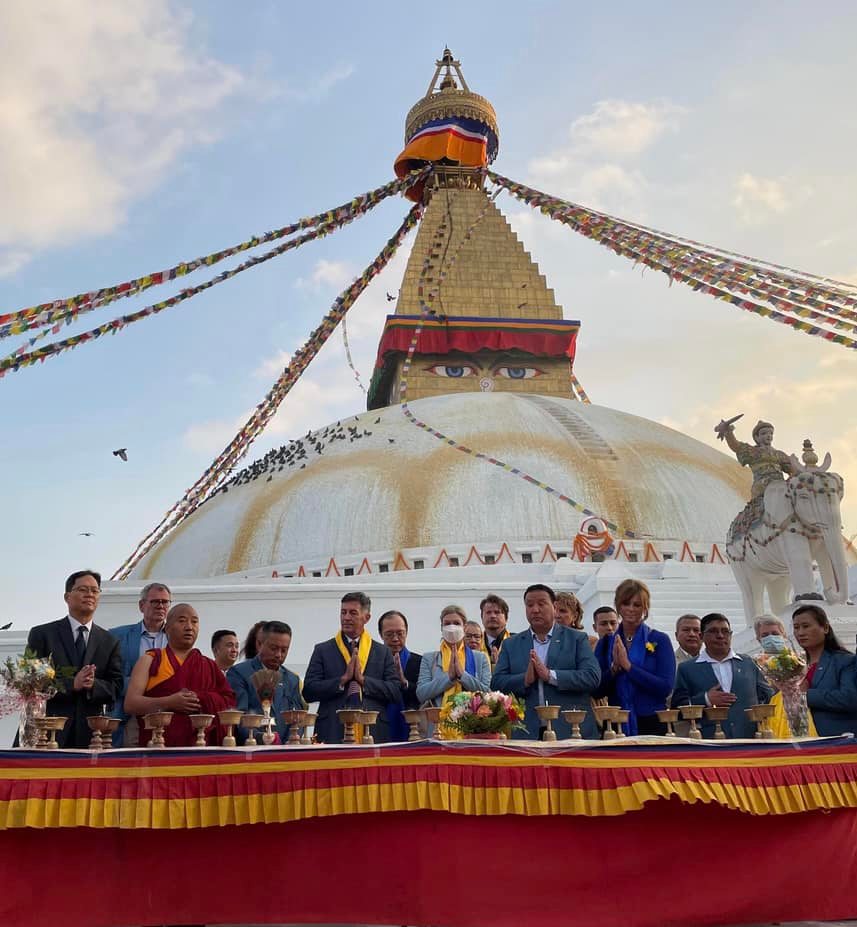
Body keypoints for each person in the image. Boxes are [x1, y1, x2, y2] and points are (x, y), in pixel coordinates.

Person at [25, 570, 122, 748]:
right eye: (83, 589)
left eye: (95, 590)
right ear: (67, 597)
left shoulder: (109, 641)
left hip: (91, 735)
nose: (89, 594)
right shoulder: (43, 634)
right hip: (47, 732)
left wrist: (93, 684)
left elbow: (116, 687)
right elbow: (31, 682)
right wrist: (72, 684)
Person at [492, 584, 600, 739]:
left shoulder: (577, 639)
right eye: (530, 605)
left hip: (571, 730)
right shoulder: (511, 644)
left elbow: (592, 677)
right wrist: (525, 680)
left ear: (554, 607)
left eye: (541, 604)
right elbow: (496, 683)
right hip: (527, 732)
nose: (535, 610)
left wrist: (550, 675)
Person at [124, 603, 236, 747]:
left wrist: (201, 698)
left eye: (194, 622)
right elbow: (131, 704)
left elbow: (228, 703)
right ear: (167, 628)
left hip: (201, 745)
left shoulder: (209, 665)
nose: (189, 627)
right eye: (182, 621)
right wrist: (169, 702)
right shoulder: (150, 660)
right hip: (158, 745)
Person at [303, 592, 401, 744]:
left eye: (353, 613)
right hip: (332, 728)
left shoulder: (382, 652)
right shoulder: (323, 650)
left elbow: (395, 692)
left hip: (373, 730)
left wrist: (363, 681)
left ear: (366, 617)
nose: (346, 618)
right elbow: (308, 691)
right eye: (343, 612)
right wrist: (342, 680)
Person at [672, 613, 773, 739]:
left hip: (750, 739)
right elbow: (677, 708)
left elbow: (768, 696)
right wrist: (706, 700)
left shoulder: (748, 663)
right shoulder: (687, 668)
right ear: (701, 636)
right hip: (709, 741)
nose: (720, 636)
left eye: (725, 631)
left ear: (730, 635)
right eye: (713, 631)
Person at [593, 580, 675, 735]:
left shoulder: (659, 640)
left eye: (637, 605)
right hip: (616, 722)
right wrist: (614, 669)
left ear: (645, 607)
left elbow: (665, 687)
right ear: (618, 606)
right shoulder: (606, 643)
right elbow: (596, 691)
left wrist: (629, 667)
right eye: (626, 603)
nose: (631, 609)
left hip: (653, 721)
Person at [109, 582, 171, 746]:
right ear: (141, 606)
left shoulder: (177, 638)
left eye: (165, 602)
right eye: (155, 601)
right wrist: (139, 686)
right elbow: (110, 676)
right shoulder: (117, 636)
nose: (160, 606)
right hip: (130, 715)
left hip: (167, 713)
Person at [416, 606, 491, 734]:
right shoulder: (430, 658)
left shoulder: (479, 658)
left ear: (464, 627)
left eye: (456, 623)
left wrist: (462, 675)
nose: (451, 627)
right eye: (447, 623)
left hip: (472, 727)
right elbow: (421, 694)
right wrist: (449, 678)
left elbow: (487, 694)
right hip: (437, 728)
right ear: (441, 628)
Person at [227, 621, 303, 744]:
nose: (278, 655)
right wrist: (260, 738)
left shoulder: (292, 679)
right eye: (273, 648)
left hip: (286, 748)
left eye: (284, 650)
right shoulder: (239, 673)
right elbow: (238, 716)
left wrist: (291, 740)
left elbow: (297, 717)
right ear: (259, 644)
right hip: (252, 747)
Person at [793, 604, 857, 736]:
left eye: (806, 626)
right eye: (796, 627)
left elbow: (849, 698)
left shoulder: (845, 660)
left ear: (825, 628)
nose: (800, 633)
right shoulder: (795, 666)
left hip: (838, 739)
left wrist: (804, 695)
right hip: (802, 740)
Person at [378, 610, 423, 742]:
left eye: (400, 633)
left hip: (414, 729)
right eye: (389, 634)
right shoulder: (373, 663)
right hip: (381, 726)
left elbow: (423, 695)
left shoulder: (420, 662)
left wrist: (404, 683)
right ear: (381, 634)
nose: (395, 639)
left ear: (406, 632)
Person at [480, 594, 511, 666]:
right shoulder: (474, 643)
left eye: (497, 612)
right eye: (488, 612)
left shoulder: (517, 643)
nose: (492, 616)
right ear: (482, 617)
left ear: (506, 618)